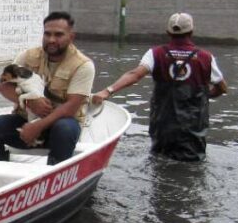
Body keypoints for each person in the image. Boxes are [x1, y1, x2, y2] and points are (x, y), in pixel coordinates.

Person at [92, 12, 227, 162]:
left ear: (168, 32)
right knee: (192, 164)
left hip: (163, 124)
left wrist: (108, 90)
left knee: (159, 161)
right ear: (191, 32)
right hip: (193, 127)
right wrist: (204, 96)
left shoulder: (155, 54)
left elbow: (135, 74)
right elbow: (222, 88)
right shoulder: (206, 57)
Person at [0, 11, 95, 166]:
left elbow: (70, 108)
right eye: (47, 34)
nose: (51, 40)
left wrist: (37, 126)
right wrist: (31, 104)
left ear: (71, 37)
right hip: (28, 120)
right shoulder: (27, 56)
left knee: (65, 129)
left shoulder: (83, 65)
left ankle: (55, 175)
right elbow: (2, 86)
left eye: (58, 35)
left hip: (60, 124)